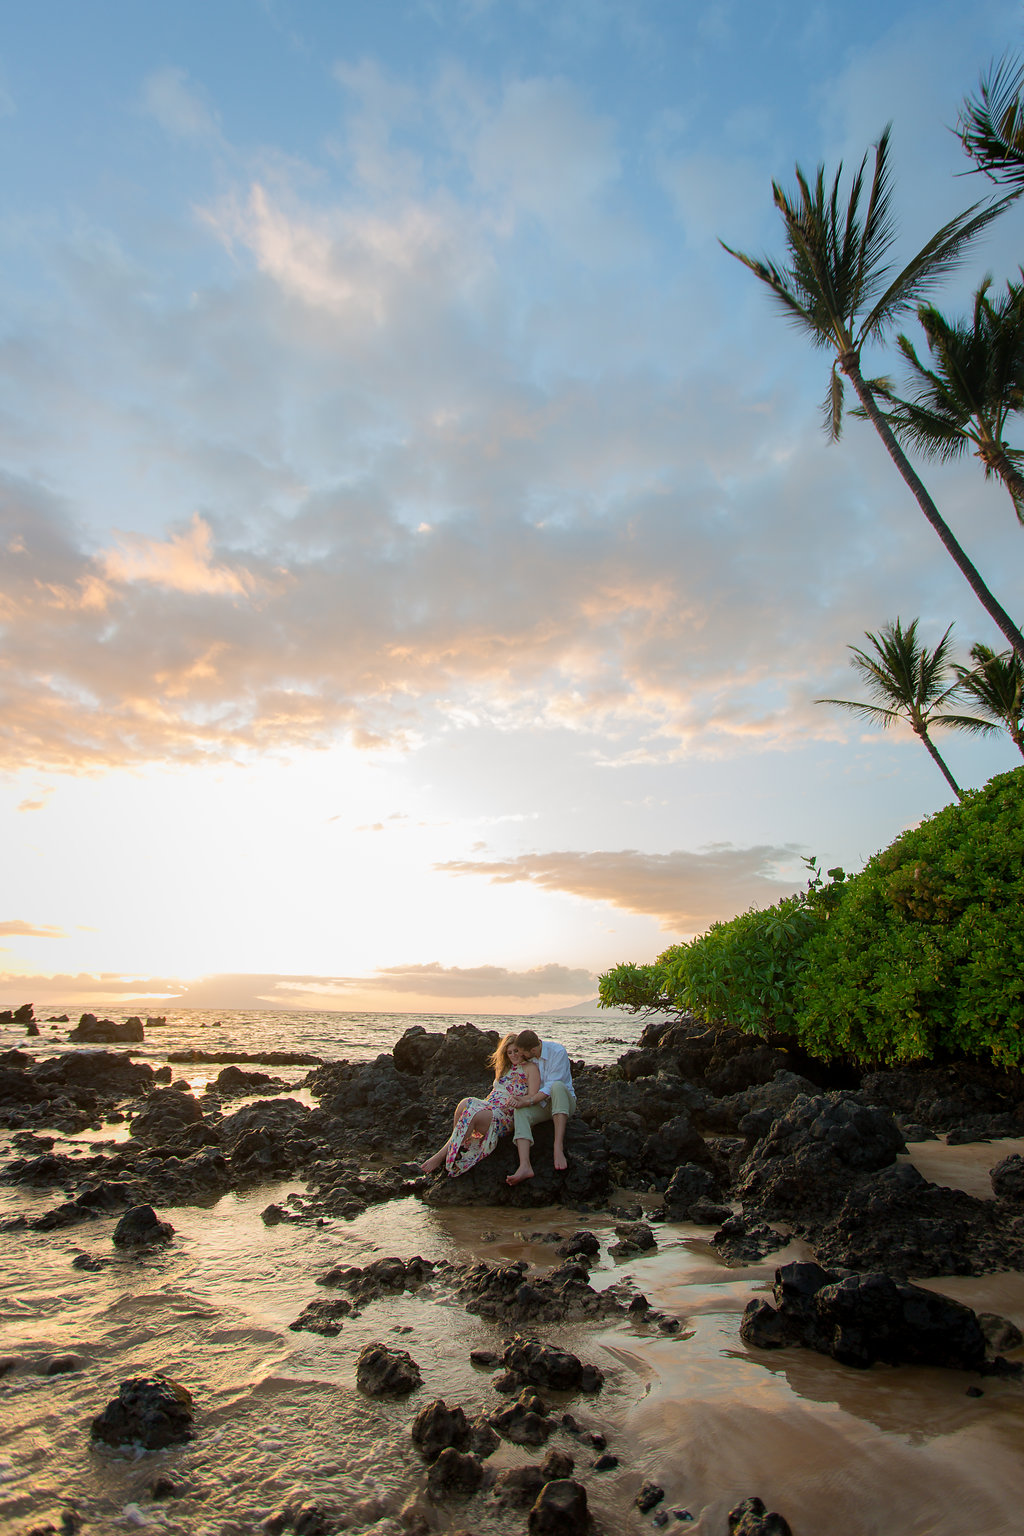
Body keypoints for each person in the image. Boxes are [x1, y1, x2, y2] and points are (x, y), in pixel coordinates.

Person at [419, 1034, 541, 1177]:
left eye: (516, 1051)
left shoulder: (530, 1068)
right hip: (490, 1106)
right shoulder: (504, 1068)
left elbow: (533, 1095)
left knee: (473, 1114)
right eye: (509, 1052)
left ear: (522, 1050)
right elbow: (495, 1092)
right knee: (464, 1103)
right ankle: (458, 1145)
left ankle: (442, 1155)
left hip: (505, 1116)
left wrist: (519, 1100)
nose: (513, 1055)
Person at [505, 1028, 576, 1185]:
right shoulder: (530, 1060)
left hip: (564, 1102)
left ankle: (558, 1147)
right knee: (520, 1111)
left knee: (557, 1086)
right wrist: (520, 1100)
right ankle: (525, 1165)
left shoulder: (557, 1052)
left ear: (533, 1050)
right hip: (543, 1105)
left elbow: (550, 1087)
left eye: (523, 1053)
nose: (521, 1056)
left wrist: (528, 1101)